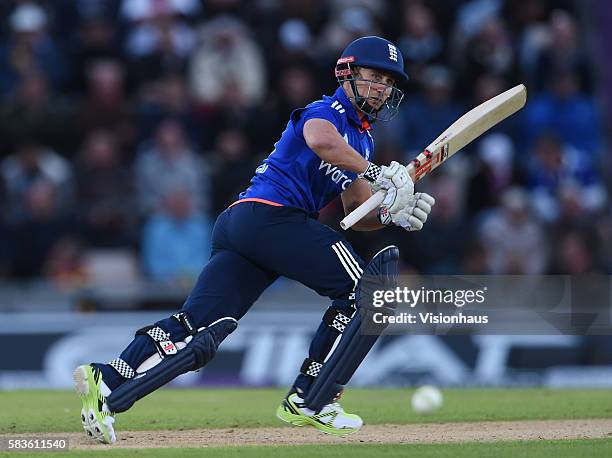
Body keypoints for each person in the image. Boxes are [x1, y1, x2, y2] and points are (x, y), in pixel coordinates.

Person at [74, 36, 436, 444]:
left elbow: (356, 214)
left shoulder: (363, 140)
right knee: (364, 292)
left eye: (388, 82)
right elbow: (320, 141)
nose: (381, 89)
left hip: (246, 225)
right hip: (271, 217)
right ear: (346, 74)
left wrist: (392, 214)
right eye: (373, 77)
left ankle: (106, 378)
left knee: (199, 326)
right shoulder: (326, 110)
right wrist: (376, 173)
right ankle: (310, 397)